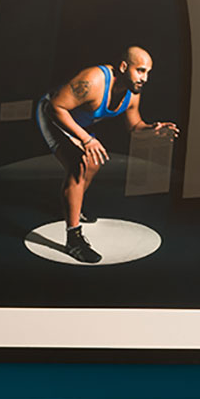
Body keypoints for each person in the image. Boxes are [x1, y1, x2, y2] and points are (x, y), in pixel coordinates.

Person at [35, 46, 178, 263]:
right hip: (54, 115)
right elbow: (56, 108)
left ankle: (73, 205)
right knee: (79, 164)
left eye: (148, 72)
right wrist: (87, 139)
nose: (145, 78)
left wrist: (151, 129)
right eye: (140, 70)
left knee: (94, 162)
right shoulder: (93, 80)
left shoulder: (132, 92)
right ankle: (73, 238)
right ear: (123, 66)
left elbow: (134, 125)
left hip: (77, 123)